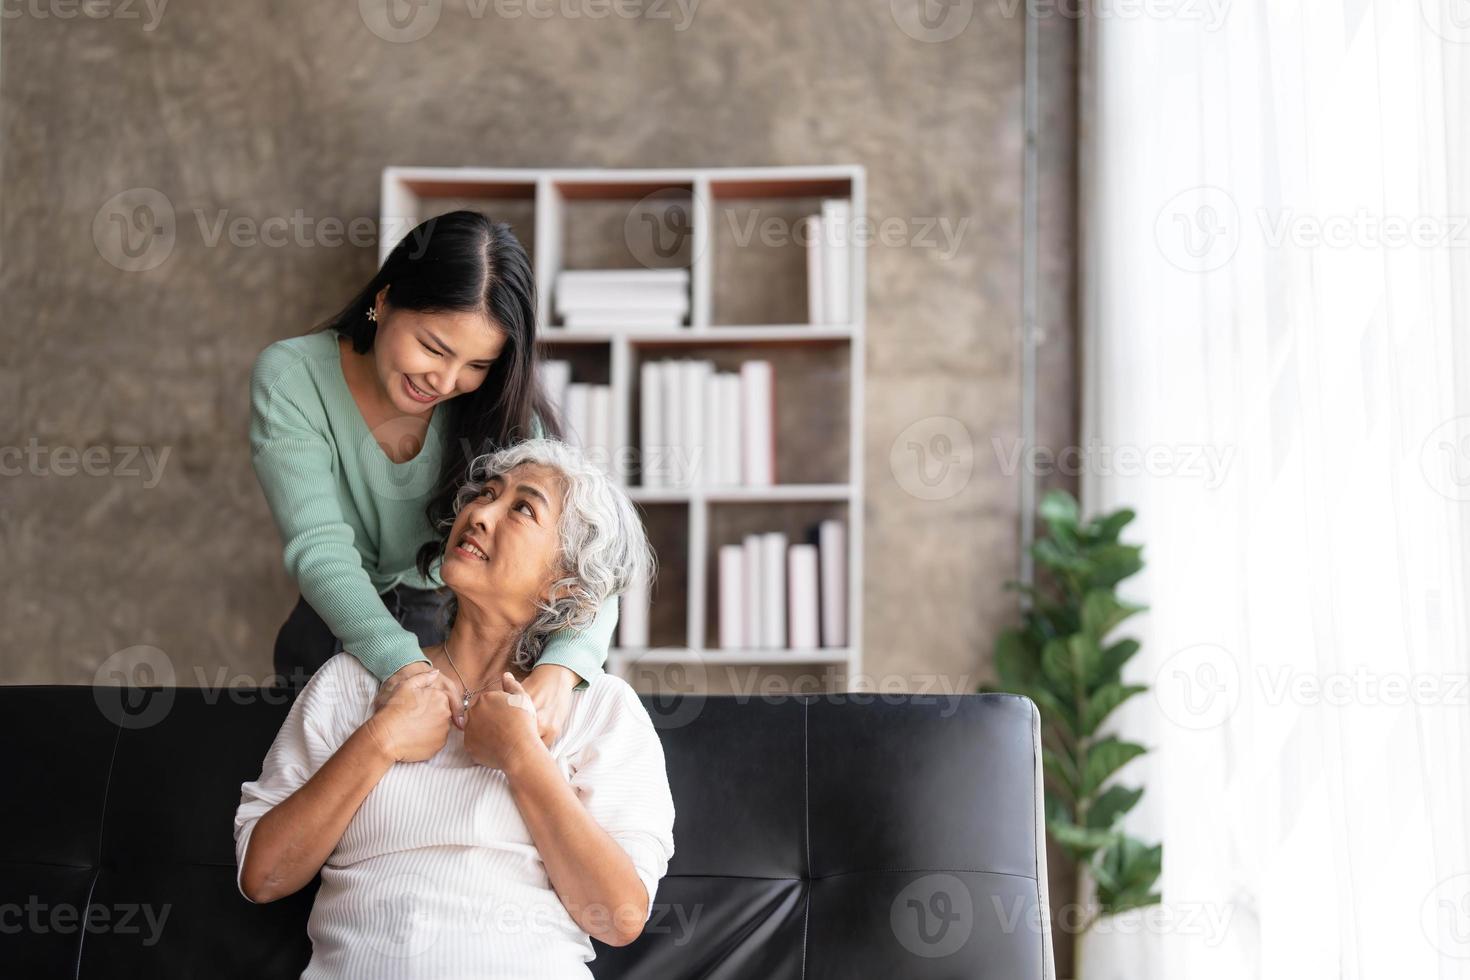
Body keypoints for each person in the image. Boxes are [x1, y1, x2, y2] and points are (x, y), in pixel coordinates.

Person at [234, 438, 672, 978]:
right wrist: (380, 740)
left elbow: (619, 917)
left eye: (522, 509)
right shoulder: (352, 683)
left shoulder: (601, 708)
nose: (480, 513)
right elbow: (264, 876)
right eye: (484, 494)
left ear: (564, 582)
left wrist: (523, 758)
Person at [250, 210, 616, 745]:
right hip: (333, 622)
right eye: (433, 348)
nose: (445, 382)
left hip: (455, 629)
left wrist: (563, 671)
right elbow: (319, 549)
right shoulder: (291, 378)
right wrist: (406, 667)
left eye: (477, 364)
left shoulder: (502, 412)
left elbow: (596, 569)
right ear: (383, 299)